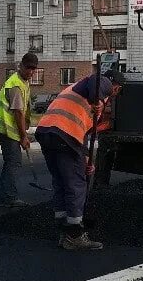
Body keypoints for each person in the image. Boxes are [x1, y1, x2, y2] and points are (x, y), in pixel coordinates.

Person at [36, 70, 121, 250]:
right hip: (64, 135)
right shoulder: (103, 83)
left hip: (46, 132)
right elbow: (96, 80)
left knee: (60, 181)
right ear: (116, 88)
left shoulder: (74, 91)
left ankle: (63, 231)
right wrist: (97, 99)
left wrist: (87, 160)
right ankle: (74, 236)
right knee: (76, 184)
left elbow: (83, 134)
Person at [0, 52, 38, 208]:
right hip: (7, 129)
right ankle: (7, 198)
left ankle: (3, 197)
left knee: (10, 163)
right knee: (14, 162)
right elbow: (18, 112)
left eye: (33, 69)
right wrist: (23, 136)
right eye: (28, 68)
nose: (31, 72)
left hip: (9, 129)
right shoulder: (16, 84)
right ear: (21, 66)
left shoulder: (23, 82)